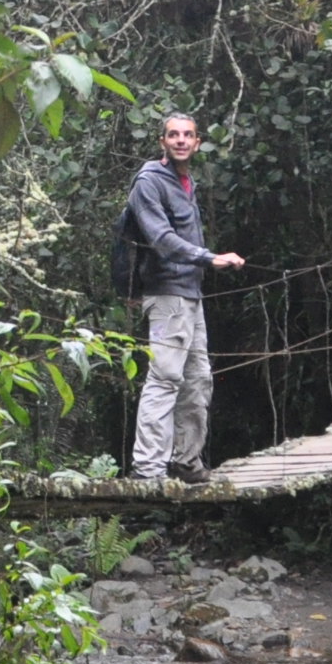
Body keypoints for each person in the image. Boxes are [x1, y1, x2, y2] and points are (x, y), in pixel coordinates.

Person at [110, 112, 245, 483]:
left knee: (199, 379)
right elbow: (161, 239)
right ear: (163, 142)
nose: (181, 140)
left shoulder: (186, 183)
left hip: (190, 295)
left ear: (198, 142)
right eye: (174, 135)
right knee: (165, 378)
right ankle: (148, 469)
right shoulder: (149, 183)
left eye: (188, 135)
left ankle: (187, 461)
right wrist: (211, 258)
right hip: (167, 294)